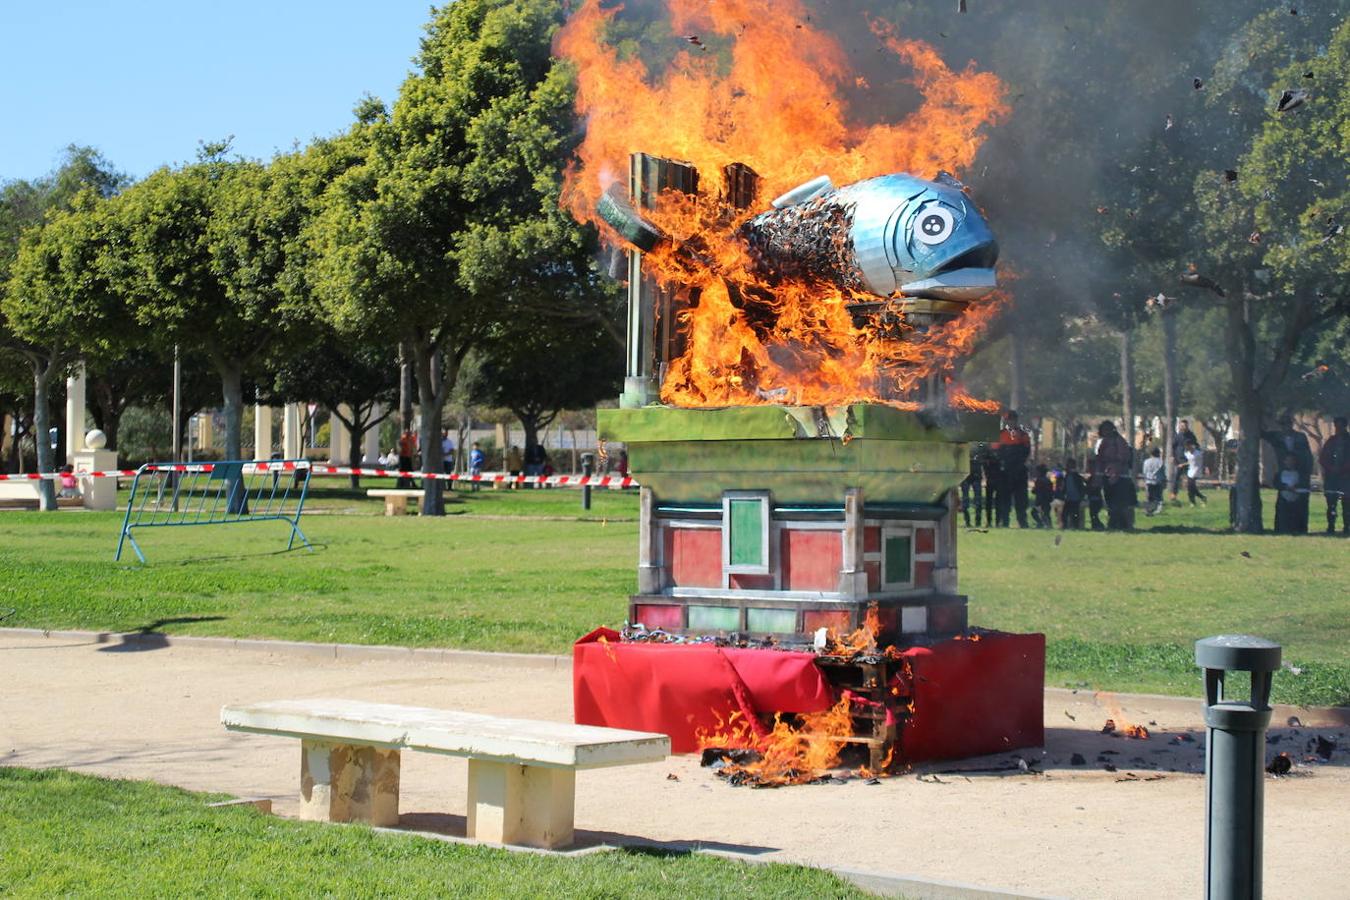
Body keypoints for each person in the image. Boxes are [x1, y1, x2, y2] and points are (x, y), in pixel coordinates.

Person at [1262, 415, 1314, 533]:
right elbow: (1263, 434)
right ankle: (1281, 528)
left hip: (1299, 470)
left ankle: (1301, 528)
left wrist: (1305, 474)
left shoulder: (1300, 437)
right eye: (1283, 424)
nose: (1285, 427)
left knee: (1300, 503)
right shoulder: (1277, 436)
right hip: (1284, 470)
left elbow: (1307, 456)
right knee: (1283, 501)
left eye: (1287, 424)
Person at [992, 410, 1031, 528]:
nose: (1011, 421)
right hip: (1005, 471)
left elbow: (1026, 451)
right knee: (1004, 499)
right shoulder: (1000, 435)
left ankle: (1022, 521)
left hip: (1019, 471)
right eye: (1009, 419)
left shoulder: (1023, 435)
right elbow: (995, 452)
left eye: (1013, 419)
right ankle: (1004, 522)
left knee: (1021, 499)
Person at [1318, 415, 1349, 535]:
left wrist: (1343, 469)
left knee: (1347, 505)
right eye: (1337, 426)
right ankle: (1331, 526)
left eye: (1341, 426)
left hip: (1346, 477)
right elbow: (1323, 458)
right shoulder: (1331, 441)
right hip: (1332, 477)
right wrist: (1331, 468)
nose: (1338, 428)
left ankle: (1347, 527)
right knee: (1331, 504)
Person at [1273, 452, 1307, 534]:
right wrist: (1285, 487)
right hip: (1283, 499)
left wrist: (1296, 486)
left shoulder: (1299, 473)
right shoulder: (1280, 473)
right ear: (1284, 461)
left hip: (1296, 499)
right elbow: (1276, 484)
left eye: (1292, 461)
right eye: (1288, 460)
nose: (1290, 462)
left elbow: (1303, 483)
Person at [1170, 419, 1196, 501]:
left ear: (1187, 426)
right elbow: (1173, 447)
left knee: (1190, 480)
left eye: (1184, 425)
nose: (1183, 427)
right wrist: (1172, 456)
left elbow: (1196, 446)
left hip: (1189, 461)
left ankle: (1191, 496)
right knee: (1176, 478)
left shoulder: (1191, 436)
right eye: (1181, 425)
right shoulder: (1178, 436)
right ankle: (1174, 494)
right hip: (1179, 460)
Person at [960, 444, 985, 527]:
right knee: (966, 500)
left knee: (976, 500)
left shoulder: (979, 446)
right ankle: (968, 522)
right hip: (968, 475)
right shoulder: (964, 446)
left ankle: (976, 522)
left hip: (974, 475)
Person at [1058, 457, 1086, 529]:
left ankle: (1075, 526)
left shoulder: (1076, 476)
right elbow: (1064, 486)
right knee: (1064, 514)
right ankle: (1065, 526)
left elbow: (1081, 486)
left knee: (1075, 514)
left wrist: (1081, 496)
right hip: (1068, 498)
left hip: (1076, 498)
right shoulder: (1066, 476)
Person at [1104, 465, 1134, 531]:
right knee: (1114, 511)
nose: (1113, 474)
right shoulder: (1106, 482)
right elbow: (1107, 495)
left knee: (1123, 511)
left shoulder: (1124, 482)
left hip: (1122, 503)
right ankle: (1112, 526)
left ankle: (1125, 526)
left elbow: (1127, 494)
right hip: (1112, 503)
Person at [1142, 447, 1166, 516]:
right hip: (1158, 481)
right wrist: (1164, 479)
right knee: (1159, 497)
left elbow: (1144, 471)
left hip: (1149, 481)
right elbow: (1162, 472)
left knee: (1149, 497)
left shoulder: (1146, 461)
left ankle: (1149, 510)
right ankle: (1158, 510)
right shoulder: (1160, 462)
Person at [1184, 439, 1207, 505]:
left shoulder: (1198, 454)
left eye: (1188, 446)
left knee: (1191, 486)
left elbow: (1202, 462)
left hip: (1196, 471)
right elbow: (1189, 462)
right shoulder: (1187, 453)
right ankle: (1198, 499)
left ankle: (1194, 501)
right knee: (1191, 487)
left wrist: (1205, 468)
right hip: (1190, 471)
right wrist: (1182, 464)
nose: (1187, 448)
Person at [1031, 464, 1053, 528]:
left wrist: (1034, 490)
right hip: (1047, 500)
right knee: (1046, 513)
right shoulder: (1048, 480)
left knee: (1034, 513)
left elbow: (1035, 490)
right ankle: (1048, 525)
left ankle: (1041, 523)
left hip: (1040, 501)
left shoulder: (1039, 480)